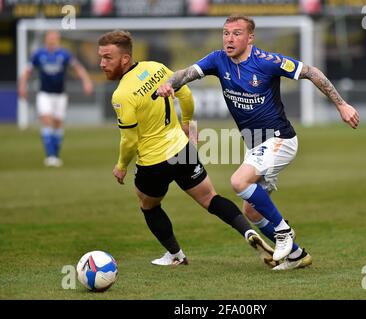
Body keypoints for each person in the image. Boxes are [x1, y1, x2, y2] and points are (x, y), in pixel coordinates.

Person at [157, 14, 360, 270]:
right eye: (226, 33)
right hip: (257, 145)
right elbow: (185, 74)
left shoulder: (267, 62)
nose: (229, 39)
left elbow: (311, 72)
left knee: (238, 181)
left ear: (250, 37)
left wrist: (341, 105)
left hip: (280, 140)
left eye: (237, 33)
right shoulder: (218, 60)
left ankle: (284, 233)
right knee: (252, 212)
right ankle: (297, 256)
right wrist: (167, 84)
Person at [97, 30, 275, 267]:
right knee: (211, 198)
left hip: (153, 162)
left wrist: (121, 166)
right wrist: (187, 124)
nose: (102, 64)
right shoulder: (157, 68)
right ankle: (247, 232)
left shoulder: (122, 94)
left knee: (147, 204)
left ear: (125, 58)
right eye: (101, 57)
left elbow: (129, 141)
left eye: (108, 57)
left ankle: (175, 255)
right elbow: (186, 94)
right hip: (182, 151)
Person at [18, 30, 93, 167]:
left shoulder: (64, 54)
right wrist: (22, 86)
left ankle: (56, 155)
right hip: (44, 94)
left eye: (55, 38)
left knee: (57, 123)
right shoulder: (39, 54)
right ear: (46, 39)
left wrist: (86, 82)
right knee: (47, 121)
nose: (52, 40)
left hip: (60, 95)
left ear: (58, 40)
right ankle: (50, 156)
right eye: (50, 38)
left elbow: (78, 68)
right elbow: (27, 72)